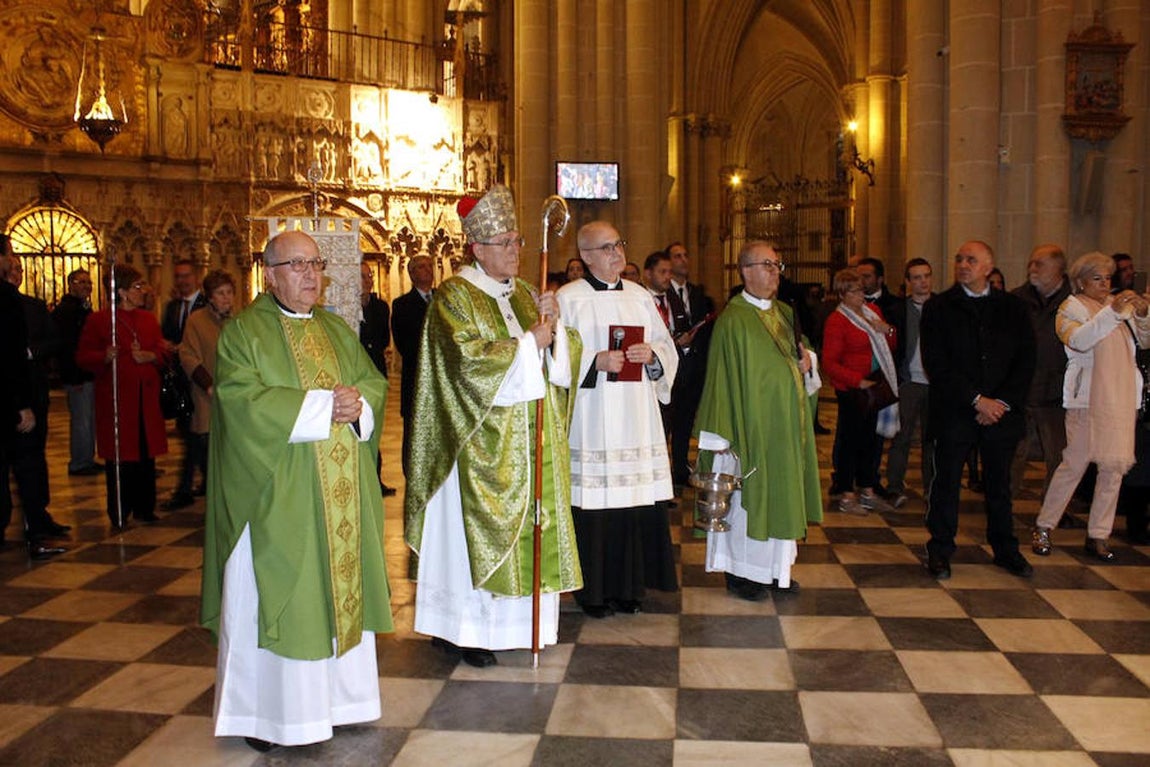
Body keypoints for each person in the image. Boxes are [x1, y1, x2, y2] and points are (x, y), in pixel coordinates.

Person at [200, 230, 392, 752]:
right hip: (276, 495)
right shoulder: (244, 333)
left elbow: (370, 380)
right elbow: (240, 402)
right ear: (270, 273)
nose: (311, 274)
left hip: (338, 493)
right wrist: (319, 408)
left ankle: (342, 702)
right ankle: (271, 715)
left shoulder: (334, 326)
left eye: (316, 263)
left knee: (338, 592)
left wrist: (360, 405)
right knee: (282, 594)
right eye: (297, 264)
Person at [405, 185, 583, 668]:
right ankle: (463, 630)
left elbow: (561, 362)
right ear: (477, 248)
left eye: (518, 241)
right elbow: (463, 364)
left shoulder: (527, 292)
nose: (515, 251)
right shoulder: (453, 297)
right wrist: (529, 343)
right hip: (476, 446)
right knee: (470, 538)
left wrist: (555, 334)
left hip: (529, 444)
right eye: (504, 243)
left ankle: (523, 625)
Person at [557, 221, 679, 618]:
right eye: (607, 248)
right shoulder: (568, 299)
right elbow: (554, 362)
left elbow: (666, 345)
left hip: (636, 414)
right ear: (587, 256)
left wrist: (653, 356)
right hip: (592, 420)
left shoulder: (641, 296)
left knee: (633, 504)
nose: (616, 253)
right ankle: (592, 593)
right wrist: (594, 361)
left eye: (619, 245)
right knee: (595, 507)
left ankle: (630, 589)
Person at [694, 241, 823, 600]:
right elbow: (720, 379)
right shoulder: (732, 320)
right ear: (746, 270)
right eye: (767, 265)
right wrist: (722, 440)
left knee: (782, 498)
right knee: (748, 501)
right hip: (748, 431)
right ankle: (741, 574)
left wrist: (808, 362)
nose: (774, 272)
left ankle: (775, 572)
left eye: (777, 265)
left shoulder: (785, 313)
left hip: (785, 431)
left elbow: (805, 354)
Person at [921, 240, 1036, 580]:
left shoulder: (1013, 308)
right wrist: (976, 400)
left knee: (999, 484)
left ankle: (1005, 548)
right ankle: (940, 548)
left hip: (1001, 414)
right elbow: (937, 364)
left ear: (988, 267)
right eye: (959, 259)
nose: (963, 264)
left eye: (971, 259)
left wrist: (1000, 403)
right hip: (957, 411)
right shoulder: (940, 307)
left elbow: (1026, 361)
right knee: (947, 483)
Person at [1031, 252, 1150, 561]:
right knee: (1074, 464)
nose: (1104, 283)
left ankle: (1099, 534)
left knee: (1113, 469)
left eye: (1108, 278)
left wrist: (1141, 313)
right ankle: (1044, 526)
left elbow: (1145, 341)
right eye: (1097, 278)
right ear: (1081, 281)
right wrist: (1113, 312)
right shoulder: (1071, 308)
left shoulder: (1117, 309)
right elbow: (1080, 341)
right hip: (1087, 401)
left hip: (1119, 402)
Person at [76, 265, 169, 528]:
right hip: (117, 401)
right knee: (120, 457)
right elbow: (83, 357)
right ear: (122, 292)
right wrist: (103, 356)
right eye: (138, 287)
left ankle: (145, 507)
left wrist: (151, 356)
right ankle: (120, 510)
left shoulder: (149, 319)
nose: (144, 291)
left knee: (145, 455)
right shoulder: (100, 320)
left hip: (145, 400)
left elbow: (163, 353)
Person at [0, 248, 67, 557]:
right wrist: (21, 404)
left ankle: (38, 519)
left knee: (33, 462)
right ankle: (34, 534)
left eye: (18, 266)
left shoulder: (32, 305)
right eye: (9, 262)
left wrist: (32, 353)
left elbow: (53, 342)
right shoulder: (8, 300)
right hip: (14, 398)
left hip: (28, 391)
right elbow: (10, 359)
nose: (15, 270)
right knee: (23, 466)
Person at [822, 267, 898, 515]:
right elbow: (830, 363)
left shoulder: (871, 312)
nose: (861, 296)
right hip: (853, 390)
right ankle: (846, 493)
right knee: (849, 442)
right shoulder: (837, 320)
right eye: (855, 291)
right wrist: (857, 380)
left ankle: (868, 490)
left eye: (862, 290)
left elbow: (891, 343)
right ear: (843, 294)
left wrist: (887, 329)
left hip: (876, 385)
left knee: (872, 441)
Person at [1010, 244, 1072, 500]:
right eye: (1031, 263)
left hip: (1056, 393)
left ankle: (1053, 512)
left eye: (1039, 264)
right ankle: (1003, 502)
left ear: (1058, 269)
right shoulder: (1017, 299)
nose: (1032, 268)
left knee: (1058, 456)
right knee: (1013, 453)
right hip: (1021, 389)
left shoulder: (1073, 301)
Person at [178, 270, 234, 497]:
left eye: (229, 292)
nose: (226, 298)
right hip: (207, 397)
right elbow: (188, 355)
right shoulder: (197, 321)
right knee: (209, 457)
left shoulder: (238, 321)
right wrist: (209, 385)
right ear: (209, 296)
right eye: (220, 293)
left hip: (233, 399)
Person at [885, 258, 934, 509]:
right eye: (916, 277)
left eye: (926, 276)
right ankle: (894, 487)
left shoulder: (941, 307)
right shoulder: (898, 310)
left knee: (932, 439)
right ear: (908, 282)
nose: (922, 282)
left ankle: (932, 488)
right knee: (901, 437)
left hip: (936, 384)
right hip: (909, 382)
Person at [665, 241, 715, 487]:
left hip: (693, 367)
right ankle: (664, 470)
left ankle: (681, 467)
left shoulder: (697, 293)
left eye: (685, 255)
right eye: (677, 256)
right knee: (667, 422)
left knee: (685, 420)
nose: (683, 260)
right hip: (672, 367)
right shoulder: (664, 294)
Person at [161, 259, 207, 510]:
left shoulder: (206, 305)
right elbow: (166, 334)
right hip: (181, 382)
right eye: (178, 276)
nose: (182, 281)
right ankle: (199, 482)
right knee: (190, 435)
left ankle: (184, 488)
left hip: (201, 380)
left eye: (186, 276)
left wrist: (186, 350)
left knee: (195, 436)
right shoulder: (172, 307)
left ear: (197, 277)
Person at [53, 268, 102, 476]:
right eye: (81, 282)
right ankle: (80, 462)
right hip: (77, 376)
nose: (86, 286)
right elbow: (67, 347)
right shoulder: (66, 311)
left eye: (89, 282)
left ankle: (87, 458)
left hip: (88, 373)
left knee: (89, 419)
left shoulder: (84, 309)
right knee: (81, 420)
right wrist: (75, 376)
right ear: (71, 284)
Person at [391, 254, 434, 479]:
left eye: (430, 265)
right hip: (416, 379)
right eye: (421, 267)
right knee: (414, 431)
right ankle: (414, 475)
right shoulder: (402, 305)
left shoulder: (443, 299)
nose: (427, 270)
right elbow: (404, 344)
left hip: (441, 382)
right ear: (411, 274)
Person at [359, 261, 396, 497]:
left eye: (369, 276)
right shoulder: (346, 307)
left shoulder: (381, 306)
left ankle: (376, 478)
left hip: (375, 370)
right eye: (363, 276)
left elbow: (382, 339)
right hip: (355, 374)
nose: (368, 280)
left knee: (375, 428)